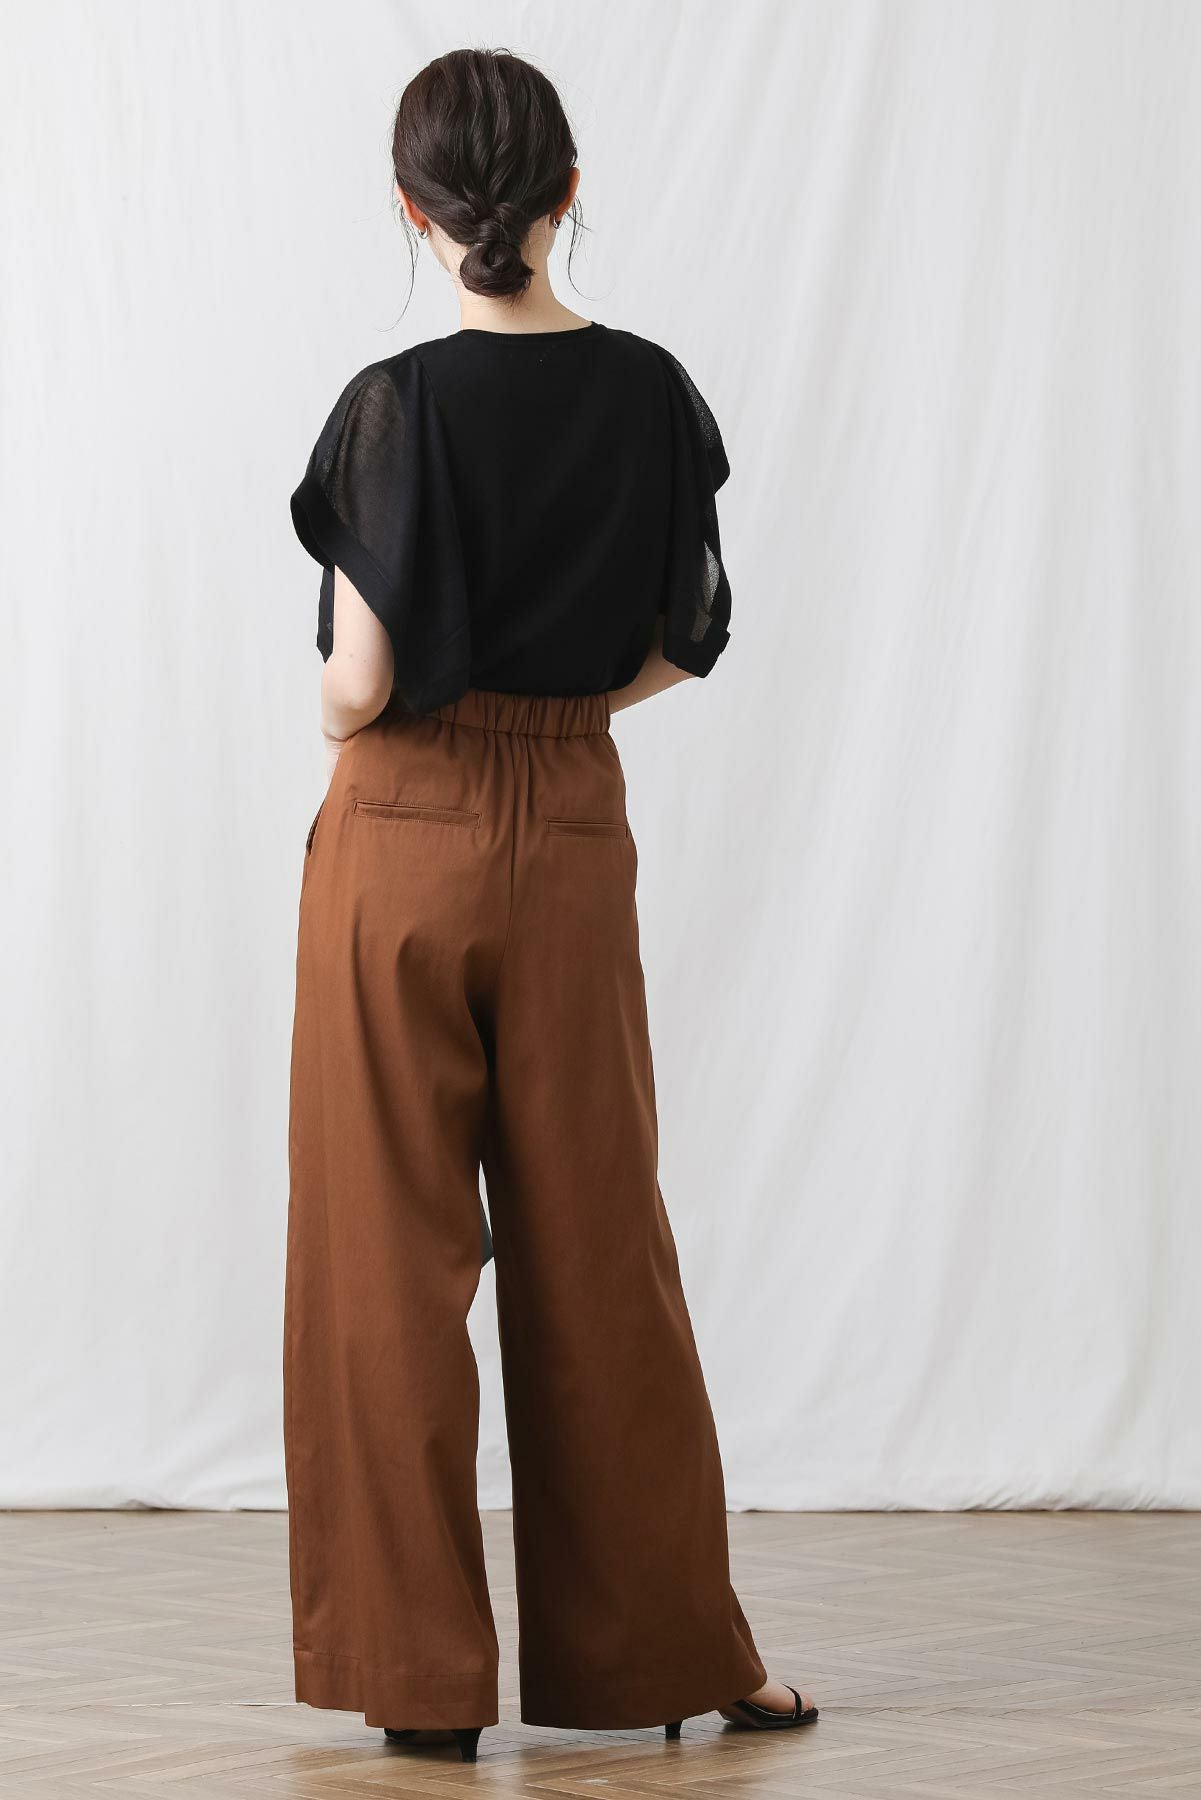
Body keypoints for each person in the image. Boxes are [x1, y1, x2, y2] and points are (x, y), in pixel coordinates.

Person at [281, 47, 817, 1764]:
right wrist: (560, 716)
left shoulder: (395, 408)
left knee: (383, 1260)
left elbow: (361, 680)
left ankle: (419, 1683)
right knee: (603, 1247)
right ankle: (673, 1651)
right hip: (575, 828)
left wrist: (355, 714)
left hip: (401, 830)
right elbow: (685, 637)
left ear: (410, 209)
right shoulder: (651, 393)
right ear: (570, 192)